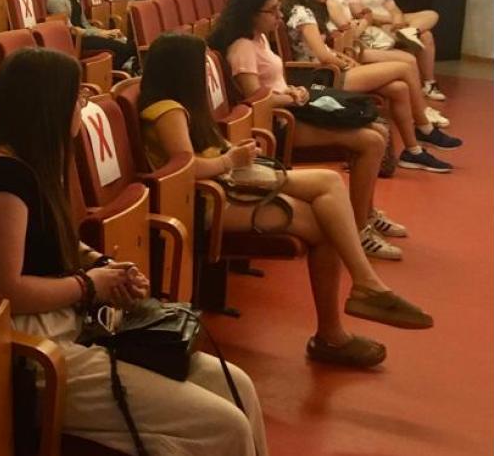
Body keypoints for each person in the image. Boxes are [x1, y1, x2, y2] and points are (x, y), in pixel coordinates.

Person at [0, 48, 268, 455]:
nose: (82, 106)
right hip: (38, 344)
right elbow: (6, 289)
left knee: (238, 386)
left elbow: (57, 242)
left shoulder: (36, 162)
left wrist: (104, 266)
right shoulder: (1, 178)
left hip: (73, 322)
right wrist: (90, 286)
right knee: (225, 426)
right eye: (77, 97)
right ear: (48, 105)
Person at [139, 33, 433, 369]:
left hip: (225, 185)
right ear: (183, 71)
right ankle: (347, 314)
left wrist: (233, 154)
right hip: (209, 200)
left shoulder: (181, 106)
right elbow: (184, 168)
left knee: (328, 203)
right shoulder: (168, 110)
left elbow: (202, 154)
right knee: (327, 203)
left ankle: (351, 308)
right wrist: (229, 160)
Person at [207, 0, 425, 255]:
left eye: (279, 9)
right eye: (272, 11)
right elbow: (256, 99)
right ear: (251, 14)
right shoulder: (242, 48)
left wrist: (291, 91)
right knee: (371, 141)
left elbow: (271, 84)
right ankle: (358, 229)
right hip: (277, 123)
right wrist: (291, 98)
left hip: (291, 109)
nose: (279, 16)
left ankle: (367, 214)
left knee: (377, 132)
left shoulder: (260, 38)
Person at [283, 0, 461, 170]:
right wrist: (344, 63)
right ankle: (425, 128)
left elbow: (323, 49)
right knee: (404, 68)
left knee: (399, 88)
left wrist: (343, 57)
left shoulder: (312, 9)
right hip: (319, 78)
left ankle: (413, 152)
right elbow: (322, 55)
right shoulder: (302, 12)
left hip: (329, 69)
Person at [323, 0, 447, 130]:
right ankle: (422, 114)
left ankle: (421, 116)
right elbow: (348, 33)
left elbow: (357, 24)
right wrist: (366, 20)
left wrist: (365, 21)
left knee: (401, 82)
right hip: (351, 50)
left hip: (356, 44)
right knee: (408, 61)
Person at [345, 0, 444, 101]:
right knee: (426, 35)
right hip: (377, 25)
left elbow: (394, 9)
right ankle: (426, 82)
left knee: (431, 15)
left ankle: (411, 34)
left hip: (393, 22)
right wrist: (391, 21)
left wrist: (398, 19)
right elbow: (361, 13)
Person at [45, 0, 136, 71]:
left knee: (128, 43)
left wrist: (106, 32)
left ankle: (124, 68)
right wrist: (101, 33)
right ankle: (118, 72)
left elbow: (85, 24)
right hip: (76, 41)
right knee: (123, 48)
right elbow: (70, 29)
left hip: (84, 36)